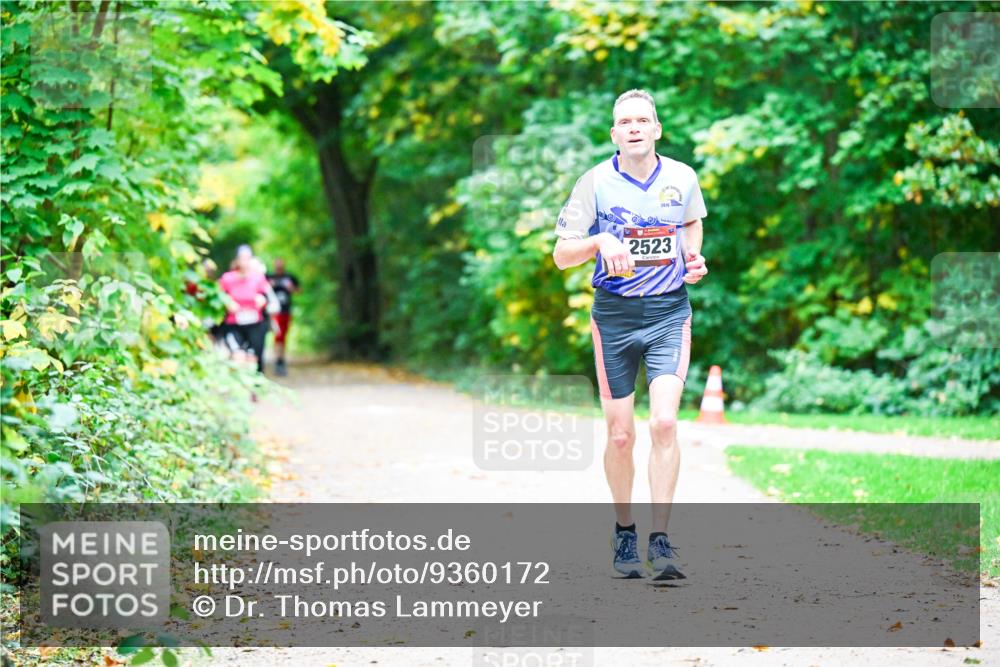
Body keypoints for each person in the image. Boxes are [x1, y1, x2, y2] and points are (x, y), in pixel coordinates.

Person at [552, 89, 709, 579]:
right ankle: (625, 534)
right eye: (626, 121)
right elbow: (561, 253)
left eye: (644, 119)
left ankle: (661, 541)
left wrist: (692, 258)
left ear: (657, 129)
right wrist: (600, 239)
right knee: (620, 435)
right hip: (614, 318)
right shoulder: (594, 182)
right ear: (615, 133)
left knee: (664, 423)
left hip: (668, 314)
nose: (636, 127)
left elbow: (691, 224)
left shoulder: (682, 177)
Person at [218, 245, 271, 373]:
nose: (244, 262)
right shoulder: (227, 278)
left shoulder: (258, 278)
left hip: (254, 324)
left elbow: (268, 297)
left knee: (252, 359)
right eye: (242, 258)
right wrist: (227, 302)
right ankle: (239, 390)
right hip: (234, 324)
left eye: (247, 258)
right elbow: (217, 297)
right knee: (238, 357)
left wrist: (263, 300)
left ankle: (252, 391)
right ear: (237, 260)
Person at [266, 258, 300, 376]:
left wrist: (292, 288)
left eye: (281, 264)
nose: (279, 266)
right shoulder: (269, 277)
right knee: (278, 335)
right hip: (274, 312)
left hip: (286, 311)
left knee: (283, 335)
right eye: (277, 263)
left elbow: (299, 290)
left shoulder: (290, 277)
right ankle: (278, 360)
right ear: (274, 264)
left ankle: (280, 359)